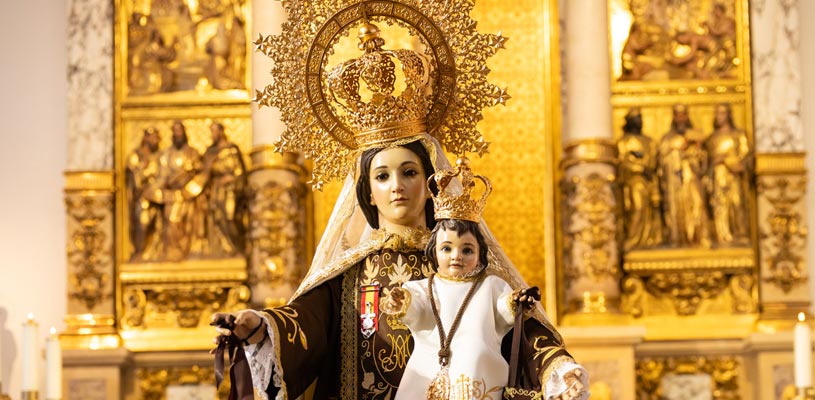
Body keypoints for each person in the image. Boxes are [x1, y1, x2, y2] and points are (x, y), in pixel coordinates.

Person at [211, 18, 586, 400]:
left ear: (431, 181)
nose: (397, 187)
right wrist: (260, 326)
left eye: (409, 172)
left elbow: (520, 324)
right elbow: (303, 323)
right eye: (383, 177)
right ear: (368, 193)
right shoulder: (349, 273)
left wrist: (557, 366)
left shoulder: (462, 259)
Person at [383, 157, 581, 400]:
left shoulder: (490, 285)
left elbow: (503, 310)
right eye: (447, 248)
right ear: (433, 250)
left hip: (478, 378)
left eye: (467, 250)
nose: (456, 256)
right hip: (426, 375)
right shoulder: (424, 287)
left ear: (480, 254)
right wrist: (400, 302)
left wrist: (516, 302)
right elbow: (417, 309)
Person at [143, 121, 206, 261]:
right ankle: (173, 251)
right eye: (175, 131)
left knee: (187, 224)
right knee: (171, 220)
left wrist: (189, 188)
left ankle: (185, 250)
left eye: (180, 131)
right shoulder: (166, 154)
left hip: (189, 195)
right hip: (171, 194)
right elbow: (162, 176)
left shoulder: (192, 153)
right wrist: (157, 188)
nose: (177, 134)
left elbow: (200, 174)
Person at [658, 105, 712, 248]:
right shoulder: (667, 140)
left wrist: (698, 149)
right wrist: (677, 151)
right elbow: (662, 163)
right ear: (674, 118)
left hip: (692, 180)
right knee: (676, 209)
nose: (681, 118)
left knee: (697, 204)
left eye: (683, 115)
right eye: (678, 115)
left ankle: (700, 238)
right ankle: (677, 239)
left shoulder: (695, 138)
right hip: (675, 182)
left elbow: (703, 164)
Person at [198, 121, 248, 257]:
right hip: (217, 189)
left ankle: (238, 247)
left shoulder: (231, 149)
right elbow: (205, 172)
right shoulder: (210, 152)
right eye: (211, 131)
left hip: (230, 189)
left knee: (230, 217)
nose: (212, 135)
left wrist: (231, 179)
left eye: (214, 131)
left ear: (221, 132)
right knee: (218, 217)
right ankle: (227, 249)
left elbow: (240, 172)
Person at [705, 103, 751, 245]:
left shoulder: (738, 135)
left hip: (734, 177)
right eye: (717, 113)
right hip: (718, 178)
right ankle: (723, 236)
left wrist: (726, 160)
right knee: (720, 206)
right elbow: (707, 161)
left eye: (722, 113)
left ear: (729, 115)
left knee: (736, 203)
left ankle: (740, 233)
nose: (719, 117)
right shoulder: (712, 138)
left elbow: (745, 156)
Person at [617, 108, 663, 250]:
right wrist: (640, 168)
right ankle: (633, 239)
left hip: (649, 182)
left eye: (640, 118)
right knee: (637, 208)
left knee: (652, 212)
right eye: (636, 118)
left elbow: (655, 161)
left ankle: (650, 240)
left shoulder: (649, 141)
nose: (639, 121)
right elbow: (622, 164)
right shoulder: (623, 142)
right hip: (634, 182)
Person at [125, 127, 161, 260]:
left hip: (157, 197)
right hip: (142, 198)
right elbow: (136, 179)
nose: (156, 141)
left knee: (158, 226)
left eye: (157, 138)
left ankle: (153, 251)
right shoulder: (136, 156)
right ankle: (140, 250)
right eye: (153, 138)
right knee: (142, 223)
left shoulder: (158, 157)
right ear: (146, 138)